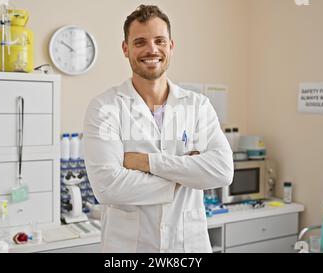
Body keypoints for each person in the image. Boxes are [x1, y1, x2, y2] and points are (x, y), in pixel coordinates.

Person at [83, 4, 233, 253]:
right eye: (140, 42)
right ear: (125, 48)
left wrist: (146, 163)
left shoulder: (197, 105)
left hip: (188, 248)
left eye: (159, 40)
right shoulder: (104, 107)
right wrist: (185, 176)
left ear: (171, 46)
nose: (151, 49)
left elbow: (222, 171)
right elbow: (108, 187)